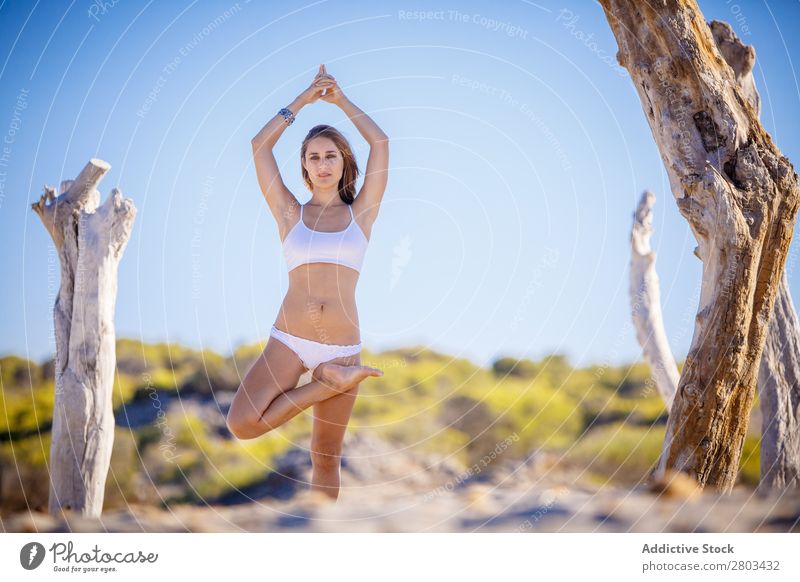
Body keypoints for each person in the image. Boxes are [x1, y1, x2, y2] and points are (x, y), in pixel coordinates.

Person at [226, 64, 389, 499]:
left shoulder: (362, 214)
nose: (322, 164)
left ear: (344, 163)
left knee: (325, 456)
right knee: (242, 424)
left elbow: (381, 142)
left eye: (330, 155)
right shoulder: (289, 214)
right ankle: (325, 382)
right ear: (303, 165)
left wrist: (339, 100)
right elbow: (259, 145)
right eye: (313, 157)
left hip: (342, 347)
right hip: (289, 341)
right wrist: (302, 99)